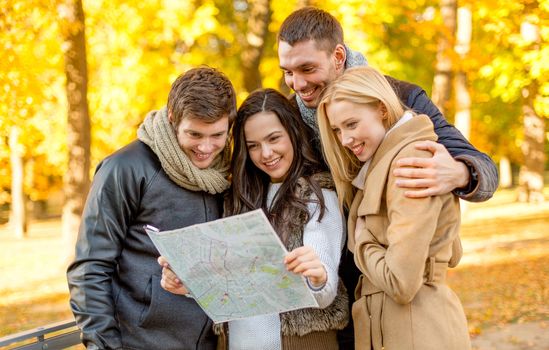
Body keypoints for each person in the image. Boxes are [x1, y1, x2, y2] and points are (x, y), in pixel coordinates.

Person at [277, 7, 497, 347]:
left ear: (338, 56)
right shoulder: (289, 117)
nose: (298, 83)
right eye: (288, 72)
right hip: (326, 292)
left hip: (389, 289)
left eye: (307, 68)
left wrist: (459, 171)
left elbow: (482, 168)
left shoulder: (400, 98)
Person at [159, 88, 349, 349]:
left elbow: (325, 292)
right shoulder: (238, 199)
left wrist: (319, 278)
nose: (266, 153)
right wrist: (189, 285)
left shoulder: (317, 195)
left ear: (293, 133)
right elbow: (233, 285)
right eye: (254, 146)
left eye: (274, 139)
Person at [66, 67, 237, 350]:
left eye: (217, 135)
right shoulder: (125, 169)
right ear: (172, 119)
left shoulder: (227, 172)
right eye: (194, 134)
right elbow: (90, 268)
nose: (206, 147)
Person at [317, 66, 471, 349]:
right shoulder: (385, 162)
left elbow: (401, 282)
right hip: (406, 324)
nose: (345, 140)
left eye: (352, 124)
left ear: (382, 110)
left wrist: (362, 240)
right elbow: (451, 251)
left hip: (414, 329)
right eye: (337, 130)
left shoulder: (408, 163)